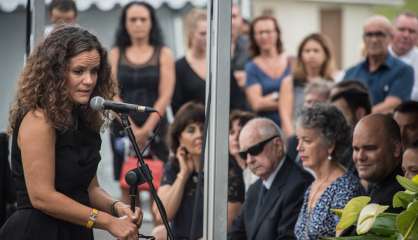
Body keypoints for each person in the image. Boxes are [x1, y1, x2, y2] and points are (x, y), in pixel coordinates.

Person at [0, 26, 142, 240]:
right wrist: (107, 222)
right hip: (37, 231)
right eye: (79, 71)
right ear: (56, 72)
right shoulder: (39, 119)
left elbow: (90, 189)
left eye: (94, 71)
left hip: (76, 230)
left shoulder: (84, 118)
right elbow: (42, 197)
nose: (89, 80)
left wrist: (117, 208)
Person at [109, 1, 174, 190]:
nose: (138, 24)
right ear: (125, 23)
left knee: (160, 186)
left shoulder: (164, 53)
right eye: (133, 19)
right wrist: (131, 129)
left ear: (151, 22)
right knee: (128, 188)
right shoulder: (115, 54)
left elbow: (165, 95)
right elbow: (111, 93)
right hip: (122, 127)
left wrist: (145, 130)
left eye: (143, 19)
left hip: (156, 128)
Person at [228, 118, 313, 240]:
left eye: (254, 150)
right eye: (244, 154)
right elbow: (236, 234)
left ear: (277, 146)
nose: (249, 160)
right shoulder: (254, 189)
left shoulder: (299, 184)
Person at [294, 104, 364, 239]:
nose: (298, 147)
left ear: (330, 144)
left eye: (307, 141)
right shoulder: (312, 186)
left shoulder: (346, 188)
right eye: (298, 140)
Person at [343, 15, 414, 113]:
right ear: (363, 38)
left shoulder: (403, 70)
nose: (374, 40)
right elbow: (341, 104)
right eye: (369, 35)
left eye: (379, 34)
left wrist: (358, 118)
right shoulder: (351, 73)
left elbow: (392, 105)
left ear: (391, 38)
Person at [279, 33, 338, 138]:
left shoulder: (333, 83)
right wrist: (295, 140)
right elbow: (285, 118)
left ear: (326, 54)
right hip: (296, 138)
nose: (311, 55)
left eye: (316, 51)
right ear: (300, 55)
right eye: (307, 51)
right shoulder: (289, 82)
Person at [245, 16, 292, 126]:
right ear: (254, 37)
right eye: (260, 32)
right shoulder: (251, 67)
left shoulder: (291, 62)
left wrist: (272, 98)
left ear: (277, 33)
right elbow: (257, 104)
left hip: (292, 125)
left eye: (268, 31)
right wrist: (286, 99)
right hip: (265, 127)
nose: (264, 36)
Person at [352, 114, 404, 212]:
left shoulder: (398, 199)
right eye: (356, 149)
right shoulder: (376, 186)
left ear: (396, 149)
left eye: (370, 148)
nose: (360, 157)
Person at [172, 9, 207, 114]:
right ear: (191, 34)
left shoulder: (220, 64)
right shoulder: (179, 67)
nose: (208, 38)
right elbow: (177, 107)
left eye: (211, 33)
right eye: (203, 34)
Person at [227, 110, 256, 228]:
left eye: (241, 132)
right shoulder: (231, 171)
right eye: (232, 132)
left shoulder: (258, 172)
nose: (236, 137)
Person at [389, 12, 418, 101]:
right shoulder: (376, 58)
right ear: (391, 31)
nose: (406, 35)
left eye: (412, 31)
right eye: (401, 29)